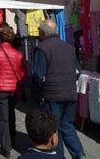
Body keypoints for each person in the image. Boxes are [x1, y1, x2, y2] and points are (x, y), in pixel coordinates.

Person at [33, 20, 85, 159]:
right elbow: (78, 71)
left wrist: (39, 90)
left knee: (54, 129)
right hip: (69, 93)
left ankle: (58, 156)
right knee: (67, 126)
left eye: (39, 30)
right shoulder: (69, 48)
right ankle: (80, 155)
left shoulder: (42, 48)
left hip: (52, 95)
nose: (38, 32)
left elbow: (38, 75)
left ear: (43, 32)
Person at [0, 27, 26, 158]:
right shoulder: (18, 54)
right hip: (13, 89)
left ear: (0, 38)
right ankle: (12, 140)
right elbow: (23, 73)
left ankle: (6, 147)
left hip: (0, 88)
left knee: (3, 118)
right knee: (11, 115)